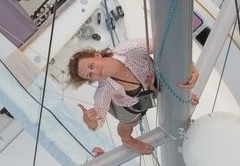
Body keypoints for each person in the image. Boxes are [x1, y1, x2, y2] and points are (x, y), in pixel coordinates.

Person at [68, 39, 198, 155]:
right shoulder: (104, 90)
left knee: (164, 82)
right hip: (129, 107)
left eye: (91, 66)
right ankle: (127, 140)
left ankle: (175, 94)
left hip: (152, 85)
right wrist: (88, 120)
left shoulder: (130, 49)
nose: (95, 72)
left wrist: (192, 68)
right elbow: (97, 121)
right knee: (128, 126)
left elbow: (165, 45)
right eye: (90, 75)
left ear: (97, 56)